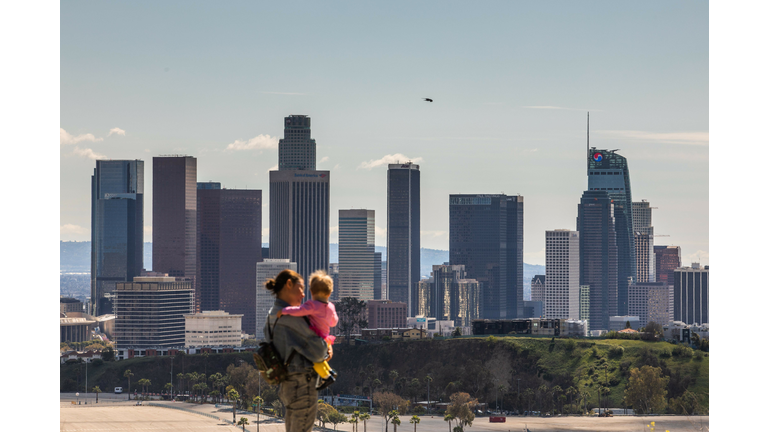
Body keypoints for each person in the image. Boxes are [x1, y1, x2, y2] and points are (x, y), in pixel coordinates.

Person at [263, 269, 331, 432]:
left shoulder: (271, 316)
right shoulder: (293, 318)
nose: (302, 295)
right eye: (300, 288)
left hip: (287, 384)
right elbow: (319, 352)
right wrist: (327, 347)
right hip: (302, 385)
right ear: (288, 284)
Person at [277, 270, 339, 390]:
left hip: (314, 339)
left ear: (311, 291)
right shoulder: (331, 307)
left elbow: (298, 311)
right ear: (330, 292)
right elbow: (334, 322)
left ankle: (326, 377)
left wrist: (283, 311)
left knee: (313, 359)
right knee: (319, 359)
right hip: (325, 340)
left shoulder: (312, 305)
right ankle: (330, 371)